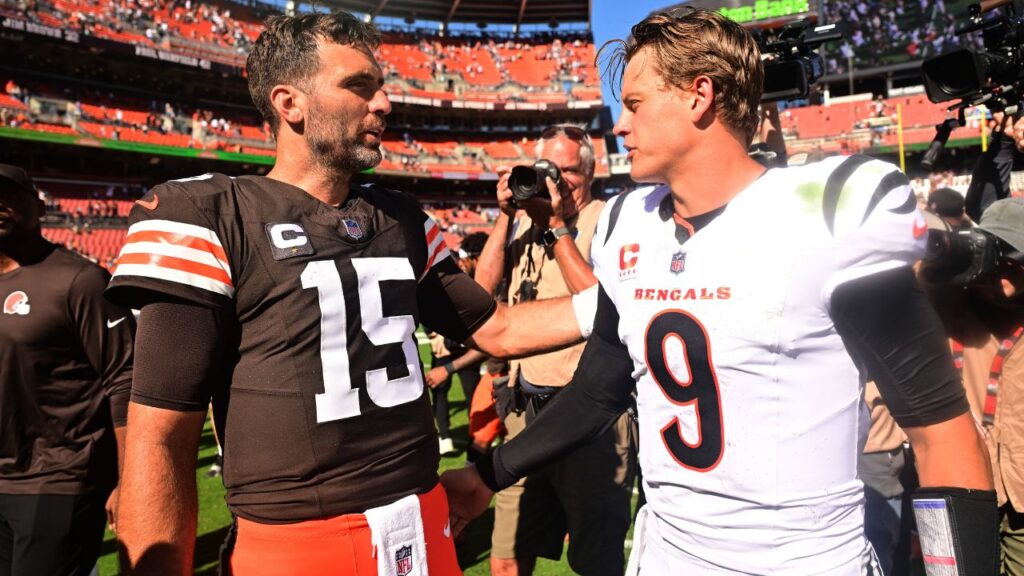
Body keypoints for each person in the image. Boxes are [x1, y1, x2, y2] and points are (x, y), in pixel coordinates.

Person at [442, 9, 998, 575]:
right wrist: (489, 474)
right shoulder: (629, 225)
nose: (621, 126)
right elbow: (596, 392)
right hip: (668, 558)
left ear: (699, 96)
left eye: (635, 104)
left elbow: (942, 435)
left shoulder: (828, 211)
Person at [106, 12, 586, 575]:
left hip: (422, 523)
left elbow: (496, 328)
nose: (383, 103)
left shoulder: (400, 218)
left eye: (380, 86)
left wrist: (631, 301)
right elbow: (160, 438)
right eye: (359, 86)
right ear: (290, 103)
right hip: (295, 542)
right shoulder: (210, 214)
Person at [471, 124, 636, 576]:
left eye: (568, 171)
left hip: (591, 422)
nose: (556, 180)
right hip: (525, 413)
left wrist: (558, 229)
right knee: (506, 558)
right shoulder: (524, 221)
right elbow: (480, 295)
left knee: (595, 562)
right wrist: (505, 215)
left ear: (591, 173)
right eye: (547, 169)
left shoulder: (609, 218)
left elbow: (605, 308)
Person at [0, 163, 135, 575]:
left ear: (41, 207)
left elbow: (126, 379)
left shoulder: (80, 281)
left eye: (9, 195)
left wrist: (130, 481)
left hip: (60, 477)